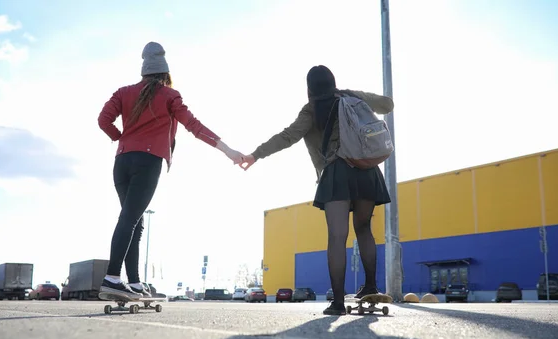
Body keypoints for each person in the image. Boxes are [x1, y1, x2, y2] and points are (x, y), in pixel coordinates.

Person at [240, 65, 394, 315]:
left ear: (309, 88)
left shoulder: (311, 109)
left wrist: (256, 155)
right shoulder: (350, 97)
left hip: (337, 173)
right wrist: (352, 94)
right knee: (364, 229)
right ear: (333, 82)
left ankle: (338, 303)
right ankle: (370, 286)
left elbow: (288, 136)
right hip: (367, 170)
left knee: (337, 236)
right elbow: (387, 105)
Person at [97, 42, 244, 299]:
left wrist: (123, 138)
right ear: (166, 74)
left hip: (122, 162)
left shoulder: (123, 92)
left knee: (134, 220)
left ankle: (133, 283)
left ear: (144, 71)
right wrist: (228, 150)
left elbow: (103, 120)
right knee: (130, 219)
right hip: (147, 161)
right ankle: (111, 277)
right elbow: (194, 126)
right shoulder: (169, 96)